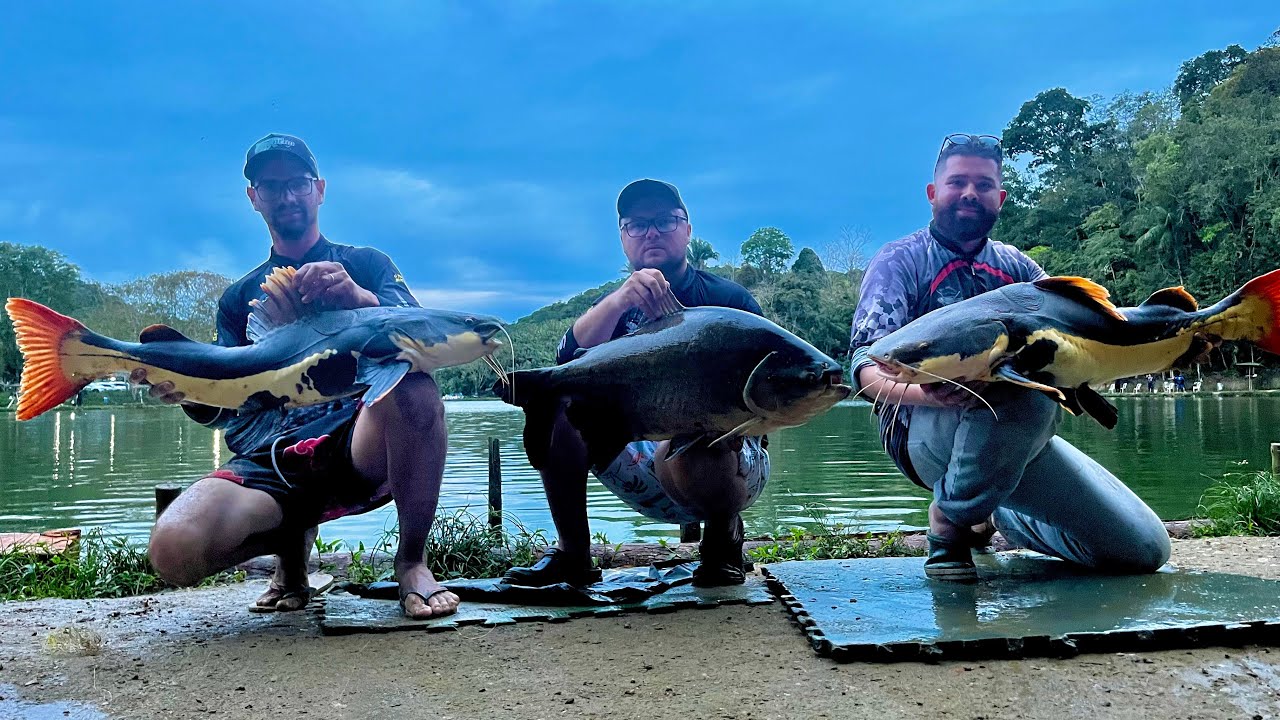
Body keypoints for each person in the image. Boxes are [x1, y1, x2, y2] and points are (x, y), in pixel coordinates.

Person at [140, 134, 459, 619]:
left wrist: (359, 300)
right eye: (271, 187)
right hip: (272, 456)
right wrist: (183, 388)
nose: (287, 196)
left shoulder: (366, 266)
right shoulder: (239, 298)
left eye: (297, 183)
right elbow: (225, 409)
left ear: (320, 189)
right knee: (174, 548)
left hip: (358, 442)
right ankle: (292, 552)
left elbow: (420, 333)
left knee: (412, 385)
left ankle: (412, 562)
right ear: (254, 198)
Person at [848, 133, 1170, 582]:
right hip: (924, 429)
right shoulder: (899, 261)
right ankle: (951, 522)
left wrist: (1173, 341)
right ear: (932, 193)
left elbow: (1083, 339)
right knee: (1022, 392)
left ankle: (998, 514)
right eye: (957, 182)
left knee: (1142, 550)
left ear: (999, 198)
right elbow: (865, 368)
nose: (969, 193)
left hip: (1015, 430)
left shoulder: (1021, 271)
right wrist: (934, 394)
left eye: (982, 185)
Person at [501, 179, 770, 588]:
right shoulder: (612, 308)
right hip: (638, 461)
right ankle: (573, 554)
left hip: (725, 464)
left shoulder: (730, 302)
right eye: (637, 224)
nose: (652, 232)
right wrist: (620, 299)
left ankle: (723, 544)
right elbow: (566, 360)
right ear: (623, 237)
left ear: (687, 229)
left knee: (701, 442)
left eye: (665, 221)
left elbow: (771, 393)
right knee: (560, 401)